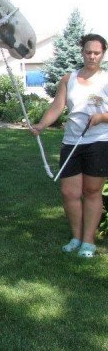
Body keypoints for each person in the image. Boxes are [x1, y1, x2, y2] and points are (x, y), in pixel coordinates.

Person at [31, 33, 108, 257]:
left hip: (99, 141)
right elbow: (58, 106)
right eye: (88, 52)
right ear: (82, 52)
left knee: (92, 191)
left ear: (102, 54)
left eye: (97, 52)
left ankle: (88, 242)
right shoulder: (69, 78)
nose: (92, 56)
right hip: (72, 141)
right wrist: (42, 125)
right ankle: (76, 237)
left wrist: (102, 118)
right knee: (69, 192)